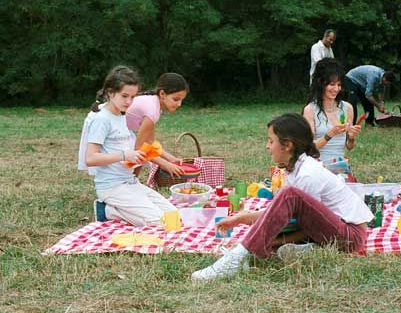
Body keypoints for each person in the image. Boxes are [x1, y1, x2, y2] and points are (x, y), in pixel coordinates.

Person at [191, 113, 373, 281]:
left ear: (287, 145)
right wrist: (243, 219)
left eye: (271, 141)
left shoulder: (307, 173)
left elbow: (300, 221)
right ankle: (300, 250)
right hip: (333, 230)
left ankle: (237, 257)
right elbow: (283, 214)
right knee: (281, 213)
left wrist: (260, 237)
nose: (267, 146)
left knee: (287, 197)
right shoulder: (295, 168)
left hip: (350, 236)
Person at [78, 66, 177, 226]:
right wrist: (125, 155)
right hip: (111, 186)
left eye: (132, 97)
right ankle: (108, 211)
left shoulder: (124, 115)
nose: (129, 102)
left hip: (130, 182)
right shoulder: (102, 119)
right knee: (160, 223)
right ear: (110, 92)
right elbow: (90, 158)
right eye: (124, 96)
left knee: (173, 216)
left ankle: (112, 211)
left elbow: (147, 144)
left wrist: (167, 160)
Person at [126, 73, 189, 177]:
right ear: (162, 94)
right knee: (136, 152)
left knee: (139, 153)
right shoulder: (152, 110)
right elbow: (140, 148)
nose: (179, 104)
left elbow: (150, 142)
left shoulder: (155, 106)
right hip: (107, 130)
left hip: (118, 130)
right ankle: (129, 182)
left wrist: (171, 159)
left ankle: (132, 182)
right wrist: (166, 165)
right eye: (176, 99)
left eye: (181, 100)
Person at [303, 58, 361, 163]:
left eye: (339, 85)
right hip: (317, 167)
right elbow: (309, 148)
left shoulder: (347, 108)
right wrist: (330, 134)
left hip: (339, 166)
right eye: (332, 84)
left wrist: (351, 138)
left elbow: (349, 146)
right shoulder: (310, 110)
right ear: (321, 83)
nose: (336, 89)